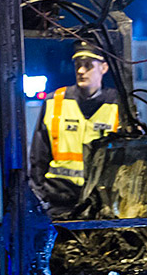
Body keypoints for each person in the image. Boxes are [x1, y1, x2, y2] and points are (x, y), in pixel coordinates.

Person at [29, 41, 120, 217]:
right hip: (58, 201)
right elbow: (38, 156)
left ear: (104, 68)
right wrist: (38, 197)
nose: (80, 71)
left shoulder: (118, 105)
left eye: (88, 66)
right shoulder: (54, 102)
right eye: (78, 65)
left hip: (102, 203)